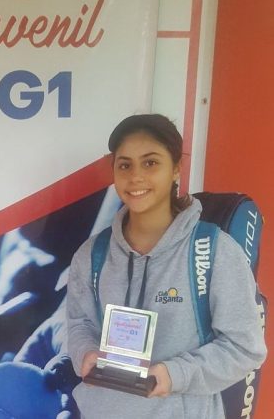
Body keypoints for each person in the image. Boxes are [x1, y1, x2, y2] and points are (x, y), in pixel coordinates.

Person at [66, 114, 267, 419]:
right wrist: (86, 353)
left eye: (150, 163)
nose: (136, 176)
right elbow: (80, 324)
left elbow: (244, 349)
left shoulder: (214, 252)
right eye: (125, 165)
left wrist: (174, 375)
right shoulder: (92, 254)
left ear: (176, 168)